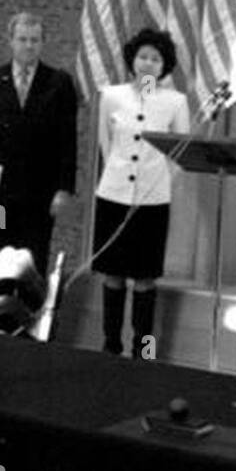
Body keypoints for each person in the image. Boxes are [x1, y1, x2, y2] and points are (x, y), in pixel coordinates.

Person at [0, 12, 78, 333]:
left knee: (32, 259)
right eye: (22, 39)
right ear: (10, 41)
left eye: (34, 40)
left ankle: (28, 328)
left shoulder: (59, 82)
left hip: (40, 194)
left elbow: (68, 140)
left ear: (43, 43)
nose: (28, 45)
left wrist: (63, 188)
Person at [92, 28, 189, 357]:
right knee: (113, 275)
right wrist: (118, 175)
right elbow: (106, 143)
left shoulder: (176, 102)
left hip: (152, 201)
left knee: (146, 278)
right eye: (143, 56)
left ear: (165, 65)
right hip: (113, 195)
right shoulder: (112, 95)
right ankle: (110, 346)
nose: (148, 63)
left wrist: (157, 180)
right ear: (132, 60)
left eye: (156, 58)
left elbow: (180, 152)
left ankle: (143, 349)